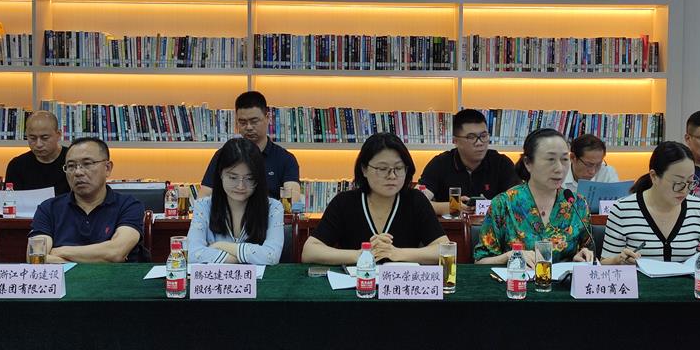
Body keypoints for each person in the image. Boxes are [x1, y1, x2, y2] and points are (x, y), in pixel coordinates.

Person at [301, 133, 447, 264]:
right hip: (357, 281)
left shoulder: (415, 200)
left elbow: (445, 249)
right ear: (364, 169)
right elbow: (309, 251)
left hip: (400, 282)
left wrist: (396, 253)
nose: (392, 176)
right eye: (382, 169)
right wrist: (361, 255)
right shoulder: (345, 202)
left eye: (398, 168)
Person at [475, 128, 596, 266]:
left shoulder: (577, 204)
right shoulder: (503, 204)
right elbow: (480, 262)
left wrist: (583, 257)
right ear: (528, 163)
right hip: (517, 279)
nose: (559, 168)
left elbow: (589, 255)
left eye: (564, 159)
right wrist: (509, 256)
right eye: (550, 160)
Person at [29, 137, 144, 263]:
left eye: (87, 164)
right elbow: (36, 258)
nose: (78, 172)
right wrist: (98, 257)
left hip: (116, 276)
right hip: (65, 277)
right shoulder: (49, 208)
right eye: (71, 166)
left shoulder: (129, 205)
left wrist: (59, 251)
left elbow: (116, 252)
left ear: (107, 168)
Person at [601, 141, 700, 265]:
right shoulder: (622, 210)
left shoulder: (699, 209)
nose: (684, 190)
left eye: (690, 181)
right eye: (678, 183)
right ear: (654, 176)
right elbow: (605, 263)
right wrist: (618, 260)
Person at [186, 138, 284, 265]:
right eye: (233, 177)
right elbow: (193, 254)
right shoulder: (203, 206)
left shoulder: (274, 208)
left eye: (249, 178)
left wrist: (221, 246)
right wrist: (244, 258)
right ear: (220, 174)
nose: (240, 186)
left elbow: (272, 256)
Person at [199, 91, 300, 202]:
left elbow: (292, 201)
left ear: (267, 118)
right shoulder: (223, 155)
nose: (249, 127)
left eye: (254, 121)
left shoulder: (285, 159)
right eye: (242, 122)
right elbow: (204, 196)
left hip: (269, 213)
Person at [418, 108, 518, 216]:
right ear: (455, 141)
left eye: (484, 136)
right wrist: (454, 206)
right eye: (471, 137)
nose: (479, 143)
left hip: (492, 225)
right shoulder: (440, 163)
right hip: (451, 226)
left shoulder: (501, 163)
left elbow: (519, 203)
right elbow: (417, 202)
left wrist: (489, 206)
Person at [4, 110, 70, 195]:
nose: (38, 144)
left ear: (58, 134)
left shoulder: (73, 160)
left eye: (45, 138)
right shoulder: (16, 165)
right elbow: (11, 199)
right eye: (33, 138)